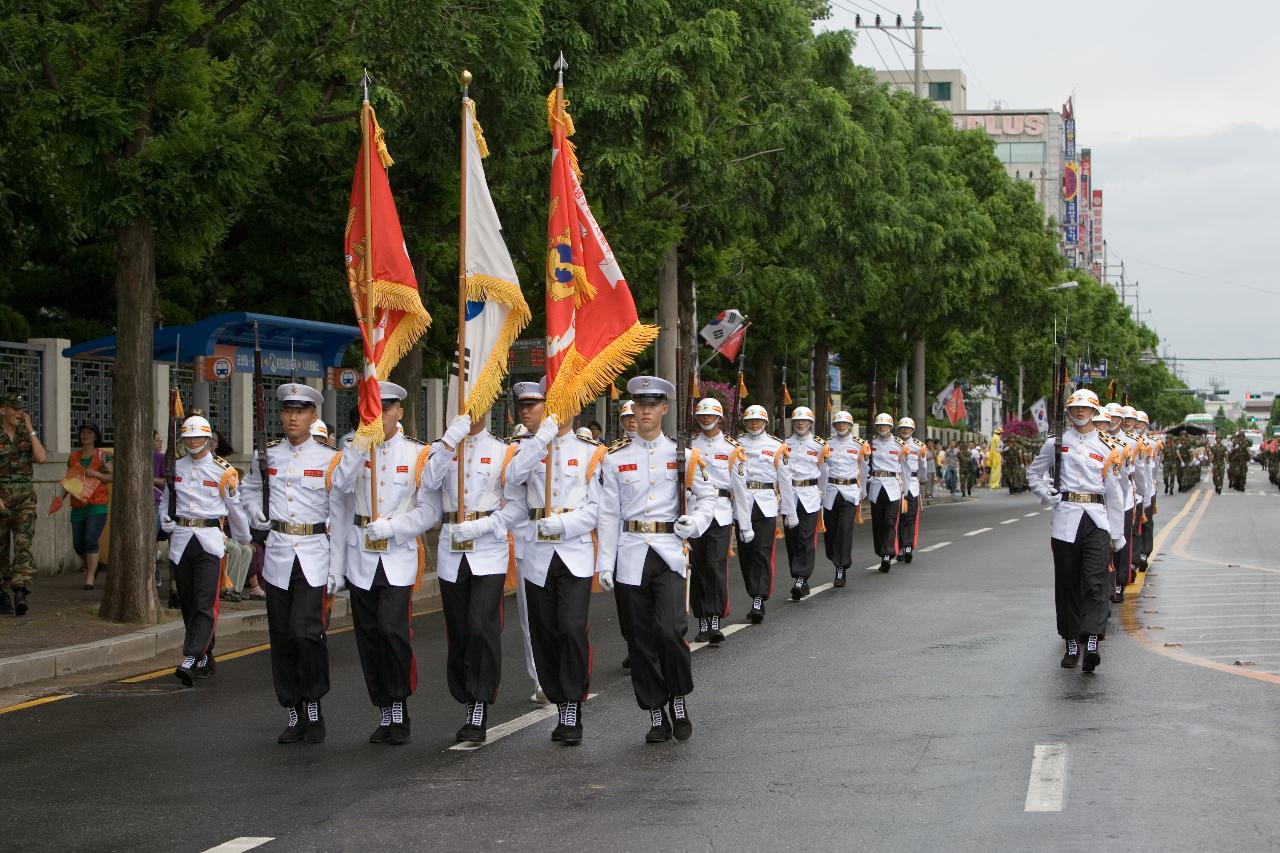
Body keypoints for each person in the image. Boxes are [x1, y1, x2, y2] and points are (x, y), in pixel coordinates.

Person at [597, 375, 715, 743]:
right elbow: (607, 513)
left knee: (669, 630)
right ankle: (654, 712)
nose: (645, 412)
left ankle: (678, 699)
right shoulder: (615, 458)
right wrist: (604, 563)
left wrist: (693, 521)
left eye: (652, 405)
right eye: (640, 406)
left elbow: (708, 498)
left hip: (668, 551)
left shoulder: (684, 455)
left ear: (664, 408)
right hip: (630, 552)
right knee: (639, 640)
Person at [498, 379, 607, 744]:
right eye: (522, 406)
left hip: (574, 553)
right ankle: (560, 702)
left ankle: (572, 707)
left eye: (535, 405)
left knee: (571, 628)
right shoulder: (522, 451)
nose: (525, 411)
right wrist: (542, 438)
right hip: (537, 555)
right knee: (544, 632)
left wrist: (562, 523)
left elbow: (597, 510)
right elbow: (511, 480)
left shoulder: (591, 451)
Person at [239, 383, 346, 745]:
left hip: (314, 553)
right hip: (280, 553)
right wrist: (258, 513)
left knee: (306, 631)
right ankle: (292, 710)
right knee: (282, 636)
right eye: (287, 411)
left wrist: (337, 568)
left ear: (313, 416)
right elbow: (249, 489)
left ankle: (313, 704)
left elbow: (341, 514)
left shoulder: (329, 458)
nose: (293, 417)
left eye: (300, 411)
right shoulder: (266, 455)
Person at [331, 381, 437, 746]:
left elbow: (429, 511)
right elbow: (340, 492)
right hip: (361, 555)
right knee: (369, 637)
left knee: (393, 630)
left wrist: (392, 528)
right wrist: (359, 445)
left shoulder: (417, 454)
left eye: (386, 407)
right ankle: (384, 707)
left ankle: (399, 702)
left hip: (396, 556)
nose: (378, 415)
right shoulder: (353, 450)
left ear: (399, 412)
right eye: (372, 408)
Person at [423, 409, 515, 744]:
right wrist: (449, 443)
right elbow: (428, 484)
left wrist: (482, 526)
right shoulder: (442, 448)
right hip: (451, 549)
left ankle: (479, 703)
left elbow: (515, 506)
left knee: (482, 626)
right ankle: (465, 694)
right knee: (460, 630)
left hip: (488, 549)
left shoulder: (504, 451)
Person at [1027, 389, 1126, 673]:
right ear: (1068, 412)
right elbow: (1035, 474)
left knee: (1096, 582)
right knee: (1068, 584)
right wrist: (1047, 493)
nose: (1080, 412)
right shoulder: (1055, 443)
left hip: (1096, 519)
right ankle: (1071, 642)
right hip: (1065, 519)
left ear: (1095, 412)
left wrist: (1117, 533)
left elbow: (1114, 491)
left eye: (1086, 408)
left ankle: (1092, 642)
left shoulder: (1108, 447)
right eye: (1076, 408)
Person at [159, 414, 250, 685]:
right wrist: (164, 519)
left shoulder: (224, 471)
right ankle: (205, 654)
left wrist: (245, 538)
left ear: (208, 439)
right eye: (187, 437)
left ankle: (190, 656)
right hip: (181, 540)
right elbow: (167, 498)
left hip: (210, 541)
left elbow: (235, 508)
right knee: (187, 602)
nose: (192, 441)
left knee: (204, 600)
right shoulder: (175, 466)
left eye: (197, 437)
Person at [687, 398, 752, 641]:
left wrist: (744, 525)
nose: (705, 418)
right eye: (701, 415)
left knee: (714, 565)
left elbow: (741, 489)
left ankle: (714, 618)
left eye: (710, 415)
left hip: (721, 511)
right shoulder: (689, 446)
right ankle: (701, 619)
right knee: (697, 565)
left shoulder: (732, 448)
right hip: (694, 512)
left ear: (719, 418)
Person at [734, 404, 796, 624]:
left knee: (762, 550)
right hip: (742, 503)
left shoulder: (777, 446)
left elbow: (785, 480)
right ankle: (754, 590)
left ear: (765, 423)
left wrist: (789, 511)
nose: (753, 424)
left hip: (766, 503)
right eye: (750, 420)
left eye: (758, 421)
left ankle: (758, 599)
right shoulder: (735, 444)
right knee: (746, 553)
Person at [49, 423, 113, 590]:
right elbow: (70, 481)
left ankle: (90, 577)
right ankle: (94, 564)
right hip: (78, 504)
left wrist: (97, 473)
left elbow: (111, 476)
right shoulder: (74, 456)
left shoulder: (103, 455)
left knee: (90, 539)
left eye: (89, 432)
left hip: (97, 504)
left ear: (95, 436)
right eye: (83, 433)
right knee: (78, 544)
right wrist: (60, 498)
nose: (85, 435)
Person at [0, 392, 46, 616]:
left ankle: (20, 591)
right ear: (2, 410)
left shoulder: (26, 435)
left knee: (22, 546)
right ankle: (2, 594)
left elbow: (41, 457)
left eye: (22, 409)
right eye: (14, 408)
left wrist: (31, 430)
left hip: (24, 499)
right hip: (1, 497)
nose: (19, 413)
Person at [1098, 403, 1144, 603]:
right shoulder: (1098, 441)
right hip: (1099, 502)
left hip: (1122, 498)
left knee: (1121, 542)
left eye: (1118, 418)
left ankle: (1119, 582)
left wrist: (1142, 497)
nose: (1116, 421)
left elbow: (1130, 475)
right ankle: (1105, 584)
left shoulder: (1130, 444)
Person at [783, 406, 830, 599]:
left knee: (805, 537)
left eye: (804, 421)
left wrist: (822, 496)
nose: (800, 423)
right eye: (797, 421)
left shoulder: (820, 445)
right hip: (789, 495)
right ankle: (799, 575)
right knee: (792, 538)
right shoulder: (784, 444)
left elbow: (824, 473)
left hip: (810, 495)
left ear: (810, 423)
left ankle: (801, 577)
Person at [822, 410, 865, 587]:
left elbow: (865, 469)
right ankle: (835, 556)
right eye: (838, 424)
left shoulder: (859, 445)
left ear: (850, 425)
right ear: (834, 426)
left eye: (844, 424)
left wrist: (862, 493)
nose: (841, 426)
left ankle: (841, 568)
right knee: (831, 531)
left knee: (845, 529)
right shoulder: (826, 444)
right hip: (830, 490)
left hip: (849, 491)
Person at [864, 413, 909, 573]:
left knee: (890, 521)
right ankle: (881, 551)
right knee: (878, 522)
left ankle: (887, 554)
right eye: (879, 425)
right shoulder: (870, 442)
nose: (882, 428)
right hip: (876, 484)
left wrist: (906, 491)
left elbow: (906, 469)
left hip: (893, 486)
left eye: (885, 426)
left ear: (890, 427)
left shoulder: (899, 444)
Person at [895, 417, 929, 563]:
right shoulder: (894, 444)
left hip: (913, 485)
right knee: (898, 518)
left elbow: (923, 466)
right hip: (897, 485)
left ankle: (907, 546)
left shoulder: (919, 446)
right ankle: (900, 547)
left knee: (910, 516)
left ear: (912, 430)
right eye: (902, 428)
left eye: (907, 428)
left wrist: (923, 479)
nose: (905, 430)